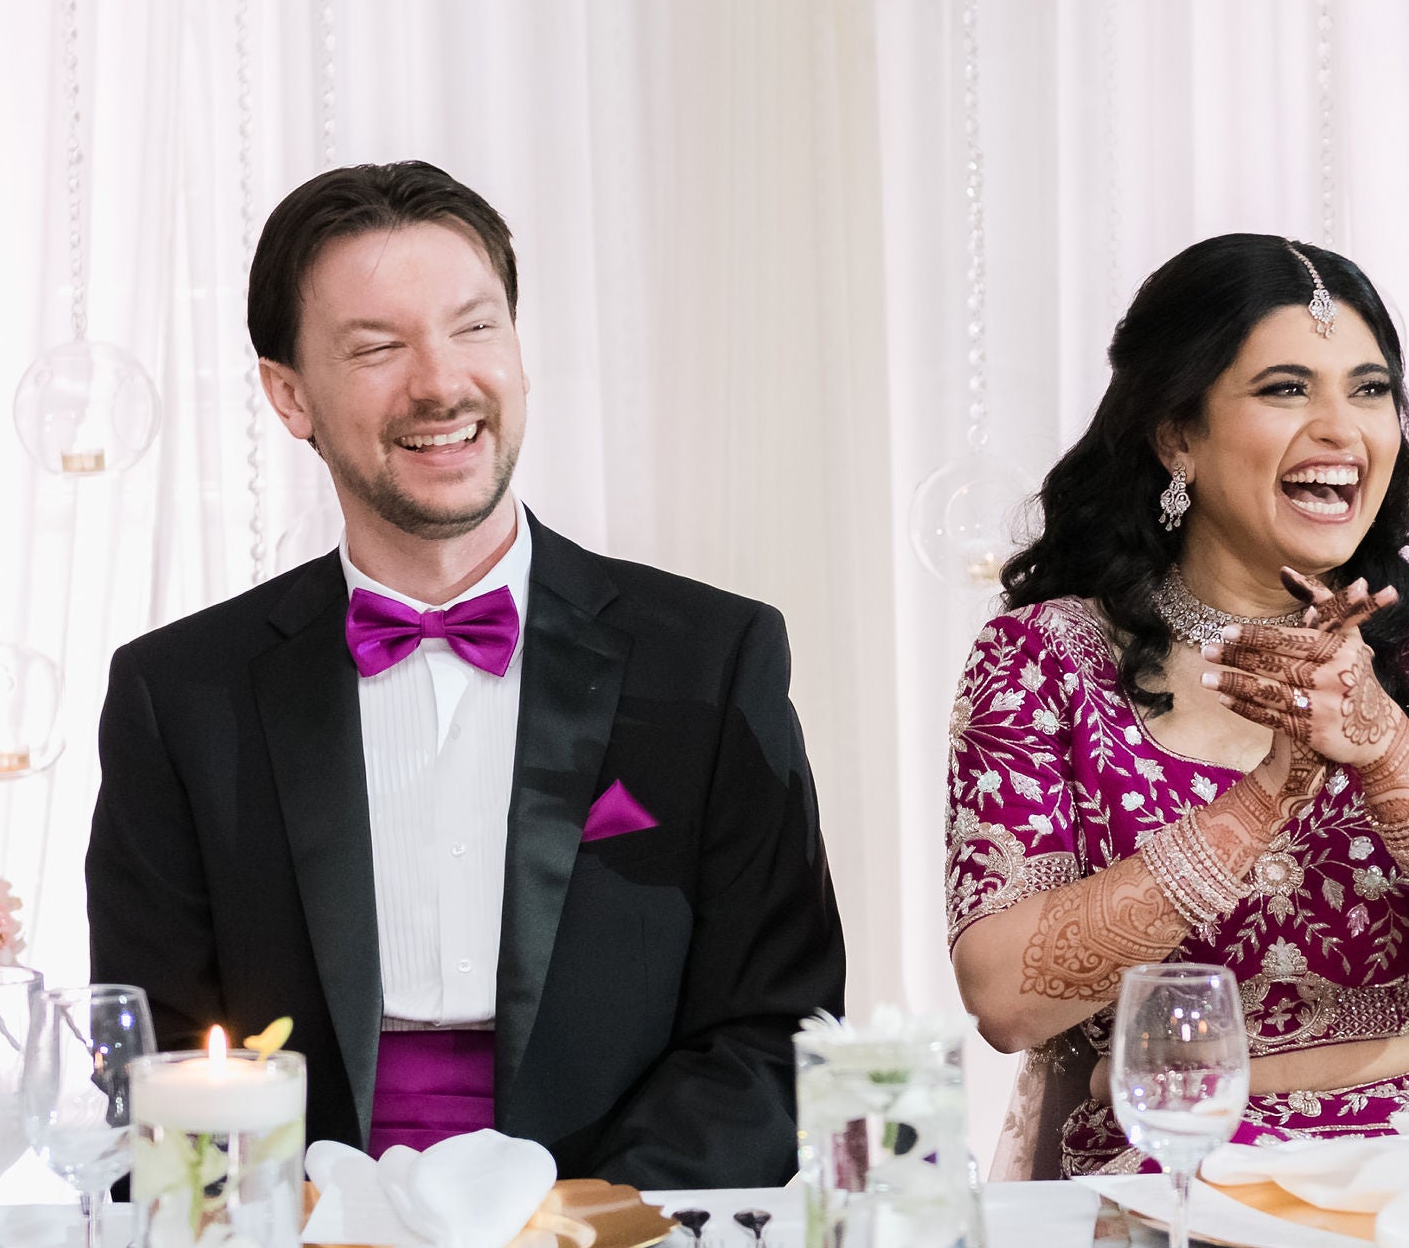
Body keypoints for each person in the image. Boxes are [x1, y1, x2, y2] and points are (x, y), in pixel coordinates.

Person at [86, 161, 845, 1188]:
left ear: (522, 356)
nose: (441, 382)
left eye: (475, 328)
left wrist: (577, 1222)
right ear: (289, 396)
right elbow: (152, 1051)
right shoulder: (178, 696)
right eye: (378, 347)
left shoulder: (712, 660)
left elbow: (775, 1026)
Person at [945, 233, 1409, 1179]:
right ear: (1177, 432)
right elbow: (1006, 1000)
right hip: (1163, 1190)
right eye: (1287, 388)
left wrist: (1388, 752)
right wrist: (1265, 798)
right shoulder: (1046, 663)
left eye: (1370, 390)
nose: (1342, 430)